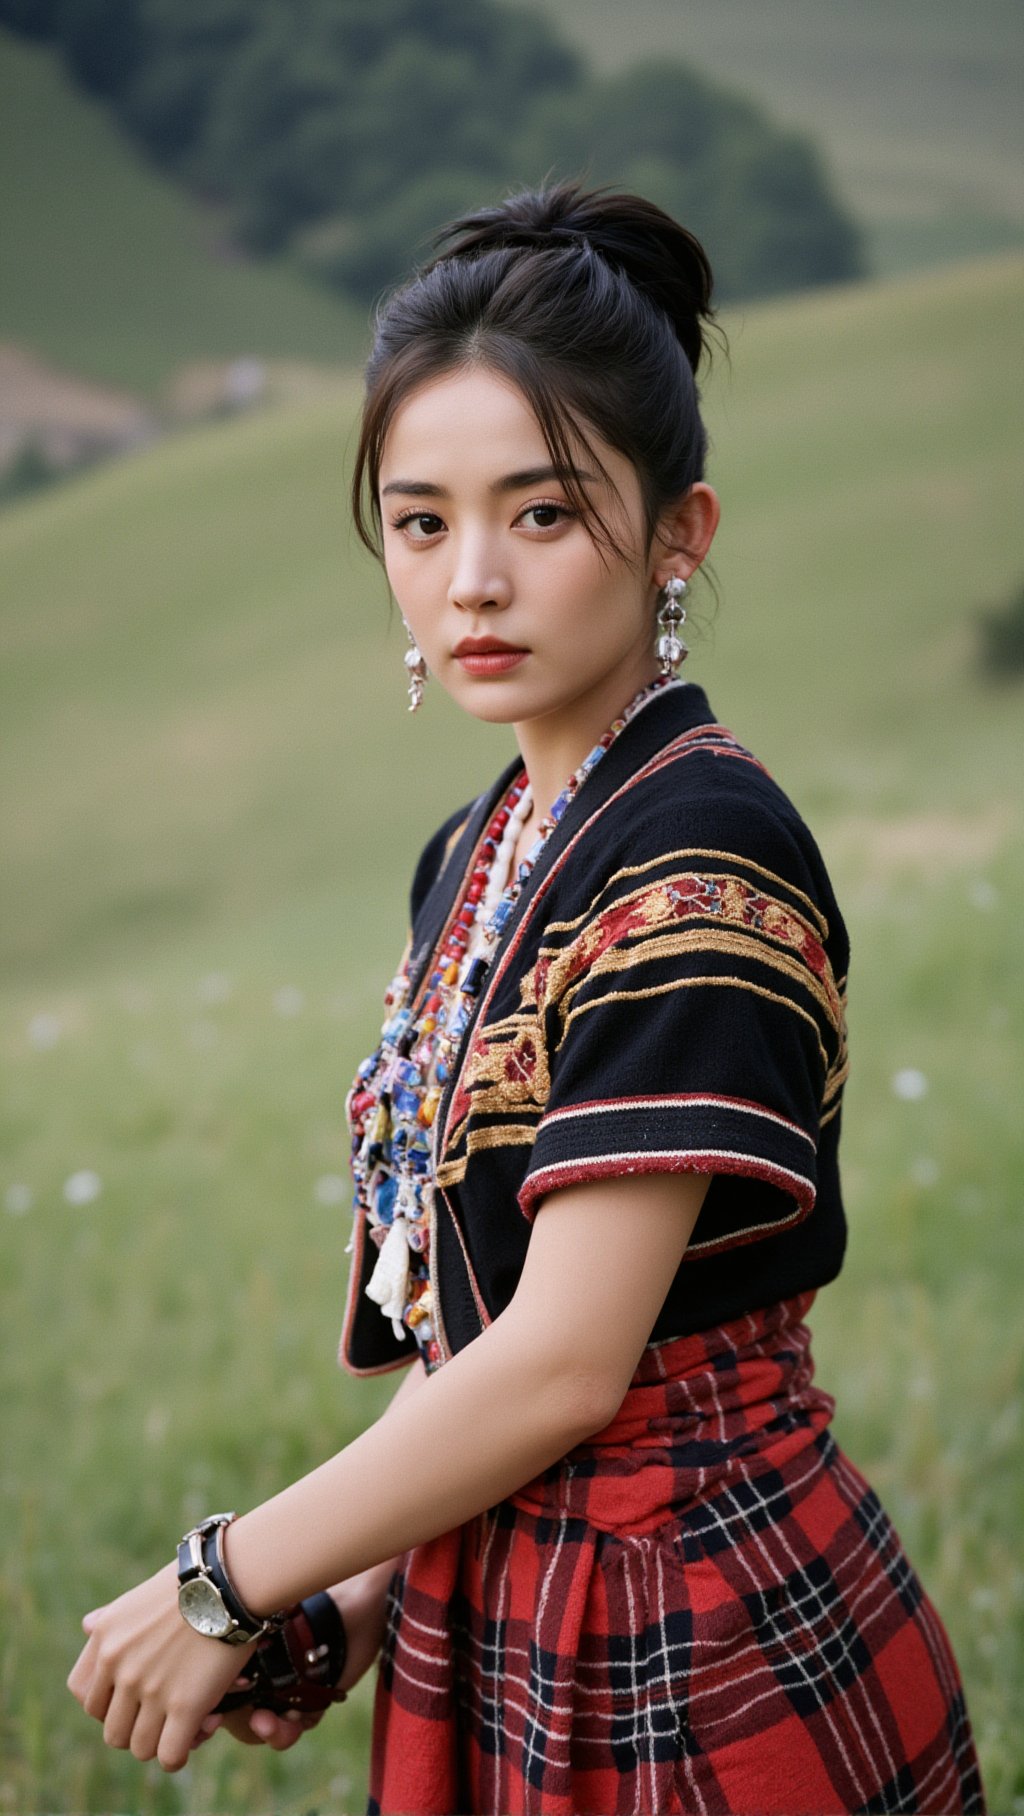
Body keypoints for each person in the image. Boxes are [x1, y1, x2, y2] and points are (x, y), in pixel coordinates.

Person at [68, 182, 985, 1815]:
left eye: (543, 514)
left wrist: (226, 1575)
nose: (472, 578)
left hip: (688, 1618)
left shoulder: (703, 847)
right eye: (422, 522)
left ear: (680, 533)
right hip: (493, 1599)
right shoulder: (477, 848)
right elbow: (478, 1326)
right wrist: (348, 1594)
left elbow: (568, 1359)